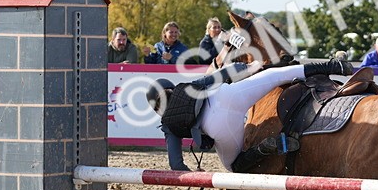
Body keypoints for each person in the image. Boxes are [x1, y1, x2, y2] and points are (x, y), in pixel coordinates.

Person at [147, 58, 354, 171]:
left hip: (220, 126)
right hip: (228, 95)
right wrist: (248, 67)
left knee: (234, 167)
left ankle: (266, 147)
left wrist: (195, 177)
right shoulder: (185, 87)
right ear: (171, 89)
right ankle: (335, 65)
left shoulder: (167, 125)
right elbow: (222, 74)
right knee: (278, 74)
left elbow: (176, 165)